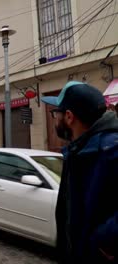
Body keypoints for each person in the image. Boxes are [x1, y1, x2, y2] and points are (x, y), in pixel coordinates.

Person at [41, 81, 118, 263]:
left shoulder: (111, 149)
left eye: (55, 114)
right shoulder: (77, 150)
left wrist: (105, 239)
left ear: (69, 116)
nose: (54, 119)